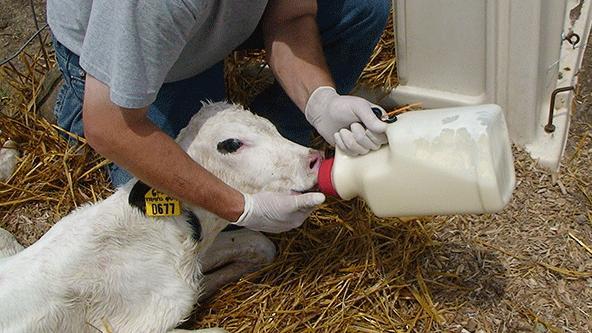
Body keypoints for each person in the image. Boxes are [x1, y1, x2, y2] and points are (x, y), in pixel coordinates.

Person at [47, 0, 391, 233]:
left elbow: (291, 15)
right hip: (147, 54)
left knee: (361, 6)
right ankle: (78, 97)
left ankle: (273, 135)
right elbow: (111, 126)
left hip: (203, 24)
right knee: (164, 214)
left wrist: (320, 100)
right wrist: (242, 208)